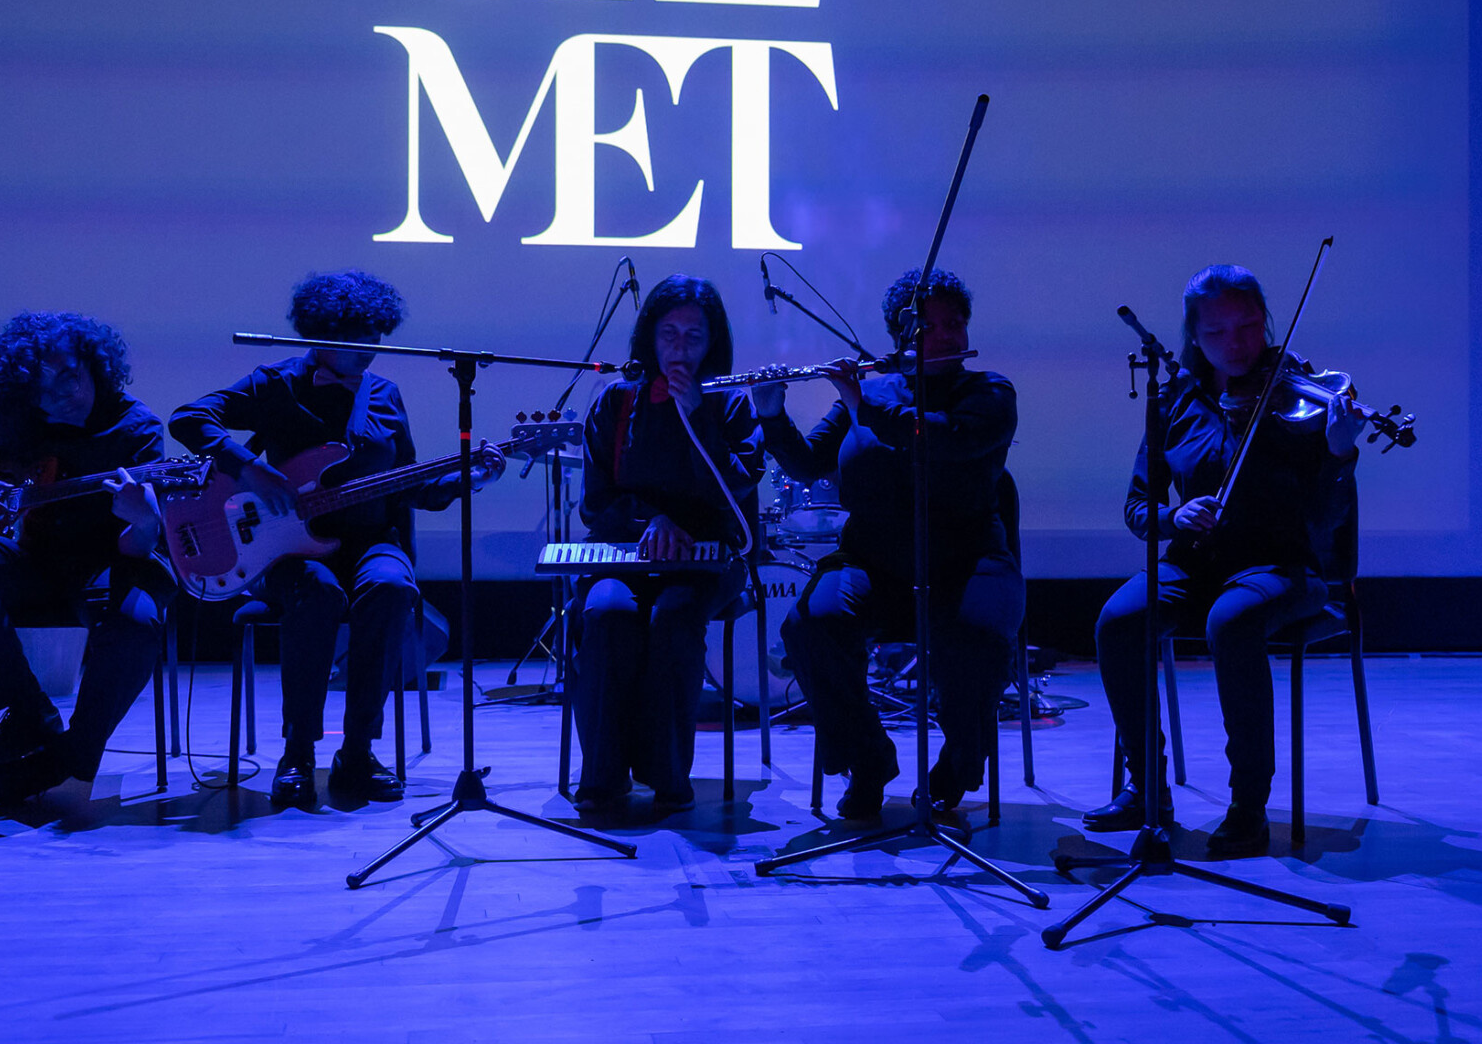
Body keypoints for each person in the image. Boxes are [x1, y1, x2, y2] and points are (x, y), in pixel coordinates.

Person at [170, 271, 493, 811]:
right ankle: (298, 752)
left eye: (375, 336)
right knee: (317, 593)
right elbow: (189, 418)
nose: (368, 350)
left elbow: (409, 485)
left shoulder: (385, 396)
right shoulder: (274, 385)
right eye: (355, 337)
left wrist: (469, 478)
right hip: (289, 548)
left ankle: (359, 751)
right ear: (318, 334)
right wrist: (250, 469)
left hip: (371, 541)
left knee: (392, 586)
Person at [1083, 265, 1363, 856]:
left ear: (1267, 323)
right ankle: (1148, 790)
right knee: (1118, 621)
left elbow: (1328, 519)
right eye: (1218, 332)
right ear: (1194, 338)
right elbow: (1138, 505)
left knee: (1231, 622)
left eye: (1250, 326)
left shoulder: (1301, 396)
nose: (1238, 344)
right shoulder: (1177, 401)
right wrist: (1172, 519)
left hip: (1282, 566)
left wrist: (1339, 454)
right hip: (1195, 562)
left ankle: (1249, 805)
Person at [752, 268, 1023, 817]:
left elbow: (943, 440)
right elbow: (807, 464)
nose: (949, 336)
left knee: (976, 636)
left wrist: (863, 406)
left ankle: (959, 762)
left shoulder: (989, 392)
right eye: (932, 326)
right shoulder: (872, 391)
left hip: (967, 560)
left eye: (957, 323)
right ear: (902, 334)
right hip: (872, 560)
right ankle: (869, 758)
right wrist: (770, 412)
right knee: (811, 625)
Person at [0, 312, 171, 804]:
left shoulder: (135, 428)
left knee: (137, 625)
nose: (56, 395)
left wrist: (142, 518)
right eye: (39, 387)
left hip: (117, 562)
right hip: (40, 562)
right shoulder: (21, 422)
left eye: (67, 376)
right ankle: (28, 713)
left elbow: (144, 543)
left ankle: (73, 756)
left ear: (94, 366)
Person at [570, 275, 761, 814]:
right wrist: (651, 521)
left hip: (708, 558)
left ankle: (667, 777)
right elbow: (595, 501)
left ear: (713, 343)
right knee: (605, 615)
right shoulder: (616, 400)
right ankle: (604, 778)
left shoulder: (730, 402)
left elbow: (737, 488)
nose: (679, 348)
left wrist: (699, 410)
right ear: (648, 338)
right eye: (669, 334)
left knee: (674, 619)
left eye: (693, 337)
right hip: (626, 550)